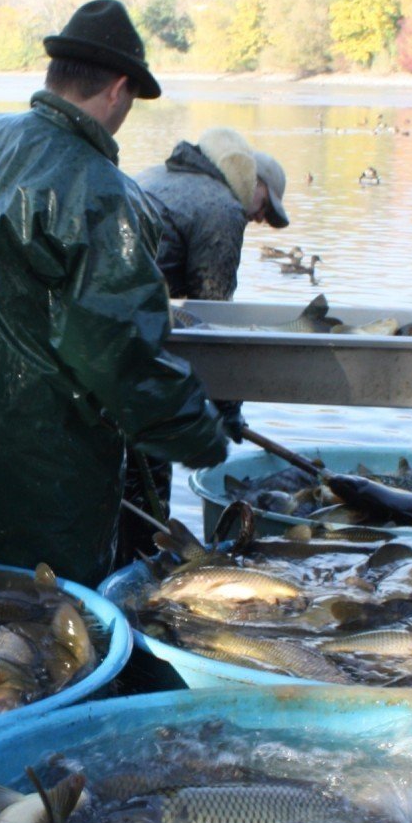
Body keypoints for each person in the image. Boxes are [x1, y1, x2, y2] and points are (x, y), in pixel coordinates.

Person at [0, 0, 229, 587]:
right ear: (118, 89)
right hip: (40, 488)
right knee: (47, 639)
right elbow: (120, 354)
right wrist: (199, 432)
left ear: (55, 75)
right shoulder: (101, 190)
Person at [120, 126, 288, 556]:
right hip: (136, 358)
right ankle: (144, 577)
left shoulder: (158, 175)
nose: (258, 221)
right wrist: (228, 408)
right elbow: (217, 328)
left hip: (103, 345)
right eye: (265, 209)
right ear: (256, 184)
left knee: (117, 482)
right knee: (148, 484)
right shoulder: (221, 208)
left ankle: (114, 571)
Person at [134, 125, 290, 302]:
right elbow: (214, 303)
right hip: (139, 310)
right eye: (265, 205)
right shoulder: (225, 209)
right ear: (251, 179)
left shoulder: (153, 174)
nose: (261, 218)